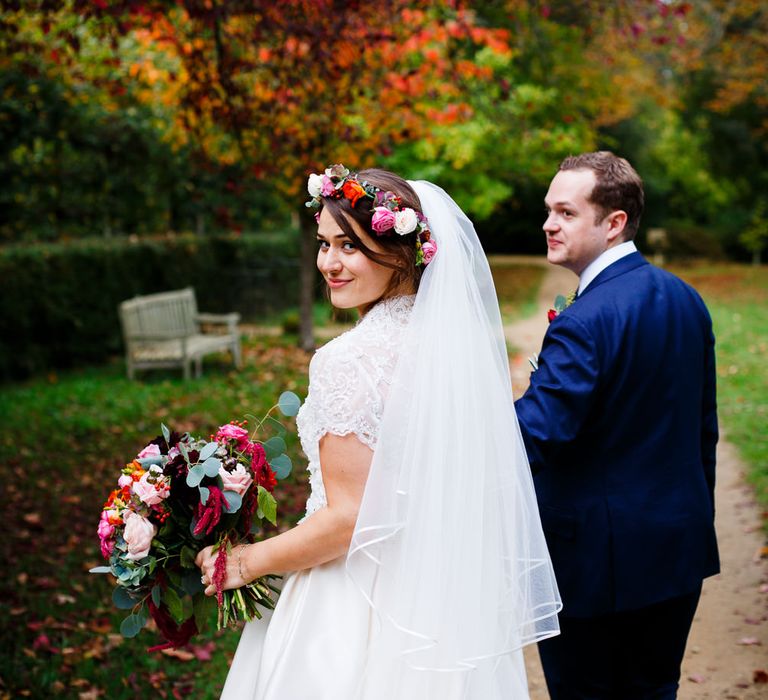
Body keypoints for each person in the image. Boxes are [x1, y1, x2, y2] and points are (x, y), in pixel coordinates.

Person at [197, 164, 561, 699]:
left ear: (397, 251)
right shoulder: (456, 349)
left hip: (354, 604)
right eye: (324, 244)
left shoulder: (349, 359)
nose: (329, 263)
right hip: (440, 601)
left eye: (349, 246)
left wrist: (246, 563)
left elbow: (349, 519)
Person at [515, 151, 720, 699]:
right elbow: (704, 433)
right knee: (655, 688)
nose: (548, 224)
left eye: (565, 212)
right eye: (548, 211)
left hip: (595, 565)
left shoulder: (585, 321)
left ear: (614, 223)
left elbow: (531, 437)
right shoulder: (686, 299)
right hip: (677, 549)